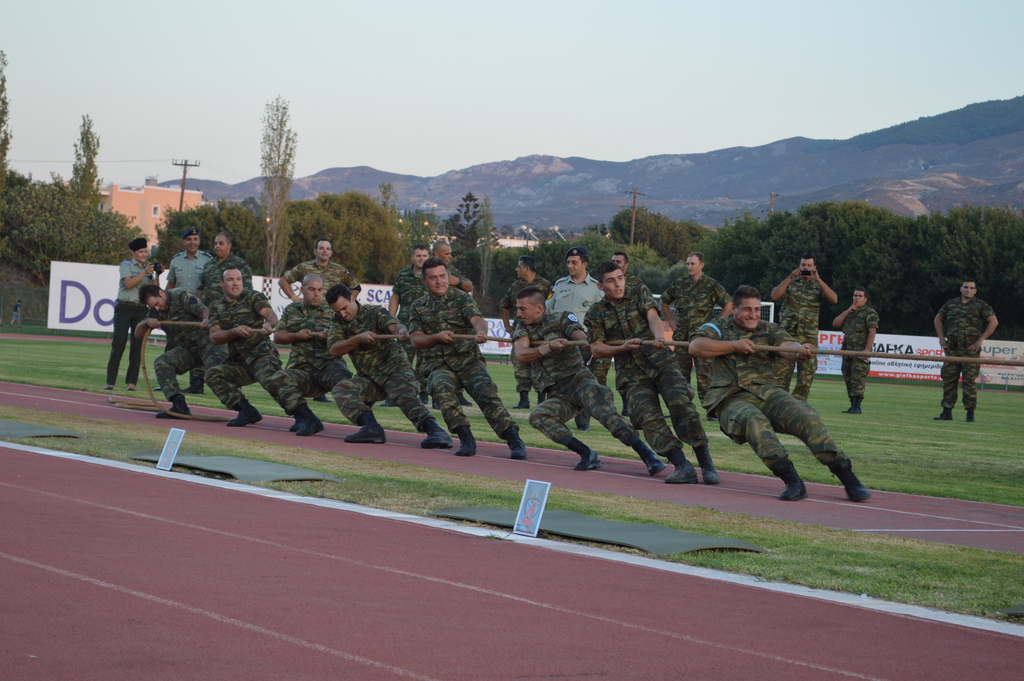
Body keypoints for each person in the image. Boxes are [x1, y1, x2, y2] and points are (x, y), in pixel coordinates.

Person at [689, 285, 871, 502]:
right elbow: (696, 347)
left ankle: (847, 476)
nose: (753, 314)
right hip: (730, 397)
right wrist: (733, 346)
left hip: (768, 393)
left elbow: (786, 346)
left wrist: (798, 350)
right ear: (734, 310)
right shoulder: (718, 326)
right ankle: (792, 480)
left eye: (756, 309)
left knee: (805, 415)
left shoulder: (770, 329)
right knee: (753, 420)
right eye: (747, 309)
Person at [587, 262, 718, 483]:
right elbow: (597, 348)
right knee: (648, 418)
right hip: (631, 374)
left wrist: (659, 337)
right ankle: (682, 465)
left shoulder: (639, 290)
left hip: (661, 363)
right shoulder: (596, 313)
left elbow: (653, 316)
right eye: (610, 281)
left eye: (620, 278)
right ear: (601, 286)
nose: (618, 284)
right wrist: (622, 348)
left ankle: (706, 463)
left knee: (681, 403)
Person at [513, 287, 665, 473]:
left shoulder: (562, 318)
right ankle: (587, 454)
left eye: (523, 308)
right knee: (538, 417)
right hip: (558, 393)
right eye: (518, 308)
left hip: (580, 382)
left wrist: (588, 341)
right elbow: (521, 354)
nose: (519, 313)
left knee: (607, 415)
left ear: (539, 308)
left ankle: (649, 456)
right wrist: (548, 347)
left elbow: (582, 338)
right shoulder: (522, 326)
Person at [409, 256, 526, 459]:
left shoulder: (461, 298)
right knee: (441, 389)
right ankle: (466, 439)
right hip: (438, 365)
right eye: (433, 278)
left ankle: (514, 440)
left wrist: (480, 331)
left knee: (487, 395)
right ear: (424, 281)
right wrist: (436, 337)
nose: (439, 282)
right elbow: (416, 341)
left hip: (467, 361)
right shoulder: (418, 306)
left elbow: (477, 320)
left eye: (443, 276)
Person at [325, 283, 452, 448]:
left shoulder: (375, 312)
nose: (342, 314)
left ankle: (436, 431)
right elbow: (334, 350)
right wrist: (357, 339)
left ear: (352, 298)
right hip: (370, 379)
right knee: (342, 389)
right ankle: (371, 428)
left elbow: (394, 326)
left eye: (344, 308)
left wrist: (400, 331)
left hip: (394, 370)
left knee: (404, 395)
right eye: (337, 311)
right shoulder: (338, 322)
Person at [206, 268, 322, 434]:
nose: (236, 283)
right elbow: (215, 336)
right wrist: (234, 331)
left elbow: (270, 314)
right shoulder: (216, 306)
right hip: (239, 363)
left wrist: (268, 324)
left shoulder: (253, 297)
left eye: (238, 279)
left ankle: (305, 418)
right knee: (213, 374)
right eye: (230, 280)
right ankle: (246, 411)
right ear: (222, 284)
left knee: (273, 382)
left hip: (262, 356)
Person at [272, 274, 353, 431]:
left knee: (348, 385)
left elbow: (349, 335)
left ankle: (369, 425)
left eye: (320, 290)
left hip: (328, 368)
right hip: (302, 371)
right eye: (311, 289)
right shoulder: (292, 310)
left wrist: (331, 336)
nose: (316, 293)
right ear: (302, 290)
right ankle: (305, 418)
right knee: (278, 380)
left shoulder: (333, 310)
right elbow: (277, 336)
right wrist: (297, 335)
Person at [135, 284, 227, 418]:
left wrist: (206, 320)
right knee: (162, 363)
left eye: (157, 303)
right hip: (189, 349)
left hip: (209, 344)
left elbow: (205, 311)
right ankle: (179, 405)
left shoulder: (180, 295)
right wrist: (146, 322)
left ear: (161, 293)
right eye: (152, 307)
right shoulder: (155, 312)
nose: (157, 308)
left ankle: (244, 408)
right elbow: (138, 335)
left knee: (220, 376)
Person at [660, 252, 733, 411]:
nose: (689, 267)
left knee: (705, 375)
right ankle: (682, 409)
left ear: (701, 265)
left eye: (692, 264)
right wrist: (670, 320)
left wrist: (716, 325)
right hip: (682, 338)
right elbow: (664, 301)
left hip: (703, 339)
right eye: (687, 264)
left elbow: (728, 304)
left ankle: (711, 410)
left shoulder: (712, 285)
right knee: (679, 375)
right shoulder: (679, 284)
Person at [547, 246, 605, 430]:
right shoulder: (560, 284)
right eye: (568, 263)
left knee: (585, 382)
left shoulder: (596, 288)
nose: (570, 266)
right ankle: (553, 417)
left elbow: (601, 317)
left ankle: (583, 421)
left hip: (583, 342)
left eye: (574, 262)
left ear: (584, 264)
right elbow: (548, 308)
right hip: (559, 341)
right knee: (556, 381)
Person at [770, 254, 838, 400]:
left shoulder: (818, 287)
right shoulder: (791, 283)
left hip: (809, 338)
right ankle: (779, 406)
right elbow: (774, 296)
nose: (806, 268)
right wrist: (789, 277)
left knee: (805, 379)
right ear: (799, 267)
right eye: (803, 265)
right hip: (787, 337)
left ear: (814, 268)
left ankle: (798, 407)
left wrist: (818, 279)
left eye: (809, 266)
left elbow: (834, 299)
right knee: (780, 377)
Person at [933, 280, 998, 422]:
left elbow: (994, 321)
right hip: (953, 349)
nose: (968, 290)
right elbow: (938, 318)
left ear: (975, 291)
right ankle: (947, 412)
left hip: (970, 351)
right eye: (966, 287)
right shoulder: (951, 304)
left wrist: (981, 340)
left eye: (971, 288)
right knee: (949, 381)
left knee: (969, 383)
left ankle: (970, 413)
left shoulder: (980, 305)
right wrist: (941, 338)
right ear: (960, 289)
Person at [165, 226, 214, 394]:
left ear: (199, 241)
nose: (192, 243)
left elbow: (210, 285)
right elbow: (170, 285)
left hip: (198, 310)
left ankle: (196, 385)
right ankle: (168, 382)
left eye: (195, 239)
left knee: (197, 347)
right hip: (178, 311)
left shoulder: (208, 260)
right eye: (189, 240)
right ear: (184, 242)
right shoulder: (176, 261)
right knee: (171, 345)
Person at [499, 255, 552, 410]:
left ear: (527, 268)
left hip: (540, 331)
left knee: (540, 364)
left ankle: (541, 399)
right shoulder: (515, 286)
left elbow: (553, 305)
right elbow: (503, 305)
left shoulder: (546, 285)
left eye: (519, 266)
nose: (516, 269)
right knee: (519, 362)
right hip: (521, 330)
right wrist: (507, 326)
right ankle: (523, 399)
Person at [106, 237, 157, 391]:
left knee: (137, 346)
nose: (144, 254)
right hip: (124, 307)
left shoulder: (148, 269)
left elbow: (153, 290)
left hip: (140, 309)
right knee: (119, 343)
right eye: (141, 252)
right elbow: (128, 284)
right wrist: (144, 272)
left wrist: (156, 274)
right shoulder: (126, 265)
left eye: (145, 251)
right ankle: (110, 381)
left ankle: (132, 382)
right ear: (133, 253)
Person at [389, 244, 431, 404]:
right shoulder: (403, 275)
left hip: (425, 327)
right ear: (412, 257)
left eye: (424, 256)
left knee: (424, 362)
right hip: (405, 326)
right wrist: (390, 320)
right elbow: (395, 297)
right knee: (401, 360)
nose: (421, 259)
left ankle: (423, 394)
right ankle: (397, 395)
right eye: (418, 255)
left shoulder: (431, 276)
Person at [832, 287, 879, 415]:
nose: (857, 298)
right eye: (855, 295)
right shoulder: (850, 312)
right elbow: (836, 324)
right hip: (847, 351)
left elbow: (872, 331)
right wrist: (847, 311)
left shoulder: (870, 313)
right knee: (848, 377)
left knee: (857, 378)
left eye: (860, 296)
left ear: (865, 299)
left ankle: (857, 406)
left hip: (860, 352)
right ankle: (852, 405)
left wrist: (867, 351)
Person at [278, 239, 361, 302]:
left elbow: (356, 287)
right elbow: (283, 281)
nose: (325, 251)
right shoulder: (304, 267)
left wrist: (348, 301)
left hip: (331, 316)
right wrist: (295, 298)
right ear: (315, 251)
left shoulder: (339, 270)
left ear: (331, 253)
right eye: (321, 248)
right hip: (309, 314)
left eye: (328, 249)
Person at [198, 233, 252, 305]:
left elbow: (247, 292)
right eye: (215, 244)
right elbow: (201, 289)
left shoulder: (240, 265)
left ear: (229, 245)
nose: (217, 246)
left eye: (221, 244)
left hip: (227, 312)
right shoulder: (208, 265)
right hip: (208, 311)